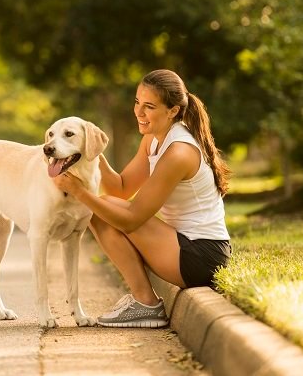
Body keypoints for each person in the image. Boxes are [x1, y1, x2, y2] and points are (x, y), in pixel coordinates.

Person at [52, 69, 231, 328]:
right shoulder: (153, 139)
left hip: (202, 256)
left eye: (149, 106)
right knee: (103, 208)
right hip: (180, 245)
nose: (139, 112)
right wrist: (90, 149)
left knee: (101, 209)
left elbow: (131, 219)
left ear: (172, 111)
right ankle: (144, 301)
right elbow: (121, 188)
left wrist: (80, 192)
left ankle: (146, 303)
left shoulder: (179, 152)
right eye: (137, 102)